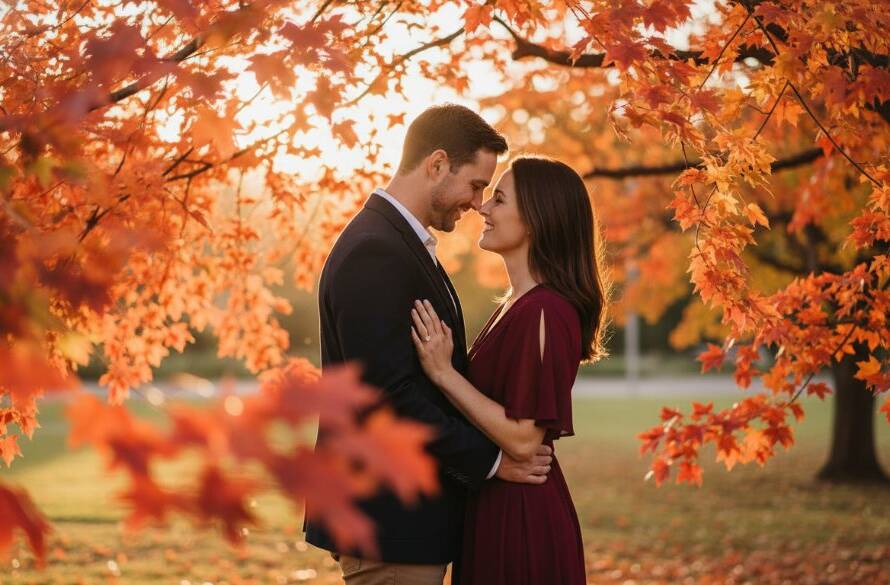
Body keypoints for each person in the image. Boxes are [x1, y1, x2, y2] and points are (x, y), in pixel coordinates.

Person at [304, 105, 555, 585]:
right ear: (437, 165)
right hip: (388, 522)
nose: (478, 203)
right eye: (475, 185)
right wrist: (494, 461)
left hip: (407, 523)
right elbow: (388, 395)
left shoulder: (401, 244)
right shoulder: (376, 250)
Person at [411, 156, 609, 585]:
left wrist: (444, 374)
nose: (482, 208)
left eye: (499, 199)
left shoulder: (545, 310)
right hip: (494, 503)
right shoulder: (515, 305)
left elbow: (524, 438)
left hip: (521, 520)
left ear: (536, 219)